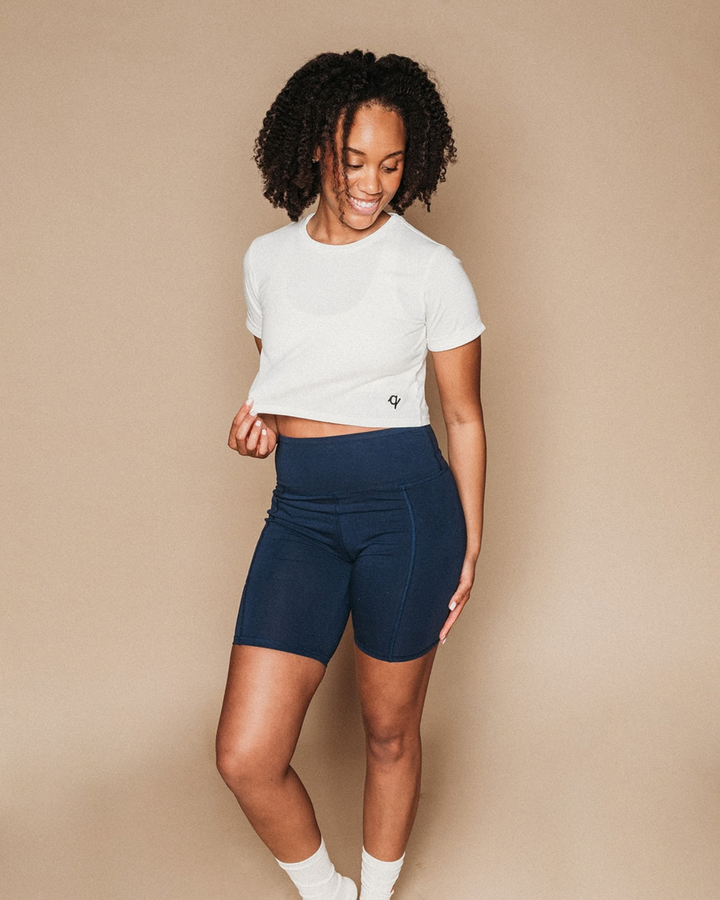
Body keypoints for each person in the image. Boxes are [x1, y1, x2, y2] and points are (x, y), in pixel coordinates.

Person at [216, 49, 487, 900]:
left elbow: (466, 418)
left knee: (388, 731)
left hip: (406, 513)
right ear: (315, 153)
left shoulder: (432, 269)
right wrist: (259, 421)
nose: (373, 183)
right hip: (300, 513)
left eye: (392, 163)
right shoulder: (266, 262)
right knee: (246, 755)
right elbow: (292, 379)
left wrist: (473, 543)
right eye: (353, 160)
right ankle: (328, 893)